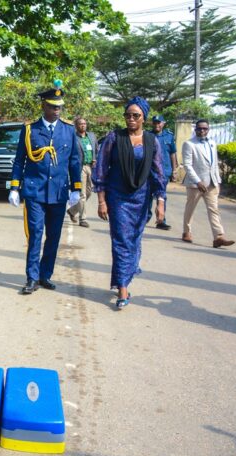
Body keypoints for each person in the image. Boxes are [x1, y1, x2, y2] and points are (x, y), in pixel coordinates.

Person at [93, 96, 166, 309]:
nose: (131, 119)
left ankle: (126, 275)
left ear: (144, 118)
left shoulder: (153, 141)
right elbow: (101, 170)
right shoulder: (114, 138)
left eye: (136, 115)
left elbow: (159, 173)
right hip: (118, 198)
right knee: (121, 241)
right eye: (128, 115)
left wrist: (160, 202)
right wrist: (101, 201)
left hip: (142, 199)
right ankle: (123, 288)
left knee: (134, 240)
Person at [8, 82, 81, 295]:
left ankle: (44, 275)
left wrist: (76, 188)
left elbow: (75, 161)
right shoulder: (30, 129)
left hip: (58, 192)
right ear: (44, 106)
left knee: (54, 235)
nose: (56, 110)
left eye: (59, 107)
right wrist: (14, 187)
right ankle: (32, 277)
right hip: (34, 191)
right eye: (52, 106)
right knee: (35, 234)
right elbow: (19, 160)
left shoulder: (68, 130)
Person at [181, 119, 236, 248]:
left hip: (211, 183)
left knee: (214, 209)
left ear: (208, 129)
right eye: (199, 128)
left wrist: (217, 181)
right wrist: (197, 181)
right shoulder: (189, 144)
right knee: (190, 209)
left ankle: (218, 237)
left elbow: (214, 164)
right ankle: (186, 232)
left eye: (205, 128)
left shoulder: (212, 143)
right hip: (195, 184)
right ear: (196, 130)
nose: (202, 131)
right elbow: (187, 165)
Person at [67, 117, 97, 228]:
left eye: (84, 123)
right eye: (80, 124)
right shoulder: (73, 137)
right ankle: (83, 219)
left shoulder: (92, 136)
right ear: (76, 125)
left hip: (90, 167)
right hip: (79, 168)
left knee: (89, 192)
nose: (83, 125)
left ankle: (72, 211)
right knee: (82, 194)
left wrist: (95, 159)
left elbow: (96, 150)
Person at [149, 115, 177, 231]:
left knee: (162, 196)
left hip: (164, 171)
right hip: (150, 171)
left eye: (159, 122)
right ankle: (144, 217)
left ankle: (161, 220)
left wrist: (174, 170)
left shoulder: (169, 137)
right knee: (147, 196)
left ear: (163, 123)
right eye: (155, 123)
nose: (157, 125)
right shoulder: (148, 136)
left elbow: (173, 154)